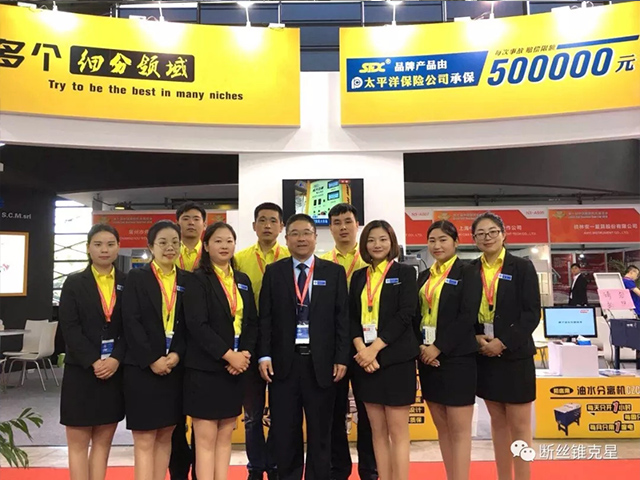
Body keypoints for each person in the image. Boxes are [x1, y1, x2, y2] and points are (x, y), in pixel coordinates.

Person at [258, 213, 349, 480]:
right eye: (295, 234)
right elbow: (266, 318)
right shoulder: (274, 272)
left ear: (315, 237)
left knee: (322, 431)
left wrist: (341, 357)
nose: (301, 239)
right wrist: (264, 355)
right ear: (286, 239)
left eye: (306, 233)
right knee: (285, 431)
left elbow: (342, 319)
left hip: (322, 364)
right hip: (283, 364)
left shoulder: (333, 272)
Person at [462, 212, 540, 480]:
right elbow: (464, 312)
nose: (487, 238)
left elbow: (531, 313)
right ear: (474, 239)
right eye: (481, 234)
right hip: (485, 355)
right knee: (498, 424)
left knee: (520, 427)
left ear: (503, 234)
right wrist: (475, 337)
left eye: (492, 232)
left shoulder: (522, 267)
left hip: (515, 355)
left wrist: (504, 342)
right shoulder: (470, 270)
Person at [183, 222, 259, 480]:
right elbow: (197, 325)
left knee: (226, 436)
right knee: (205, 440)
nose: (224, 246)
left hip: (235, 371)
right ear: (206, 246)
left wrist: (244, 354)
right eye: (218, 241)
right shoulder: (197, 280)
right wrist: (229, 355)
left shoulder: (242, 280)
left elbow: (251, 322)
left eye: (229, 241)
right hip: (206, 369)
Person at [350, 220, 418, 480]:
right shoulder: (359, 277)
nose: (376, 245)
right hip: (366, 364)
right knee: (376, 432)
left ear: (392, 242)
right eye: (371, 240)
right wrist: (362, 350)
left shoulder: (405, 273)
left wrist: (375, 348)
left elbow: (405, 314)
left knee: (398, 433)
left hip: (396, 361)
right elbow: (351, 317)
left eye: (382, 239)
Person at [59, 224, 126, 480]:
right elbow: (70, 328)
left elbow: (131, 326)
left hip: (113, 372)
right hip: (81, 372)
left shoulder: (128, 282)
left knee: (103, 443)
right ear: (88, 248)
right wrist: (93, 361)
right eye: (98, 244)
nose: (104, 250)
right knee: (78, 443)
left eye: (110, 244)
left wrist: (116, 358)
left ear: (118, 247)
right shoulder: (74, 283)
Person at [122, 220, 188, 480]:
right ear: (150, 246)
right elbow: (131, 321)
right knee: (145, 437)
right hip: (142, 370)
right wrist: (152, 359)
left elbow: (188, 324)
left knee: (166, 434)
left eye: (175, 242)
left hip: (173, 369)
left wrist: (177, 354)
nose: (170, 247)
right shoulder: (137, 278)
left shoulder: (187, 280)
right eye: (163, 242)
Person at [413, 221, 477, 480]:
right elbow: (415, 316)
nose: (437, 245)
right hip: (428, 360)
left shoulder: (468, 272)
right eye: (432, 240)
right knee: (443, 429)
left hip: (457, 359)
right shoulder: (424, 276)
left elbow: (467, 316)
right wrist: (422, 347)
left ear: (456, 242)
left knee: (459, 431)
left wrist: (438, 347)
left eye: (443, 240)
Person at [320, 203, 377, 480]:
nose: (343, 227)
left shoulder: (371, 262)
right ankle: (338, 469)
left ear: (358, 225)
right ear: (330, 228)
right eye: (337, 222)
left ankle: (370, 470)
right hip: (332, 350)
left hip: (367, 348)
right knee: (333, 413)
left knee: (369, 413)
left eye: (347, 221)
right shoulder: (321, 263)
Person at [234, 202, 290, 480]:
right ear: (254, 225)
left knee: (281, 412)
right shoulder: (239, 259)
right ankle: (256, 467)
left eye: (273, 221)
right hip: (249, 342)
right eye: (262, 220)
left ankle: (277, 465)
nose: (267, 225)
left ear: (281, 227)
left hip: (282, 342)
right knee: (252, 415)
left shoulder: (291, 257)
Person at [172, 201, 207, 480]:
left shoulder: (211, 255)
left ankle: (200, 470)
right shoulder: (170, 253)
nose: (191, 223)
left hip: (203, 345)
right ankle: (178, 470)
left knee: (201, 417)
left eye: (196, 218)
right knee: (174, 417)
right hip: (172, 342)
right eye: (186, 218)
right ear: (178, 223)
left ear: (204, 225)